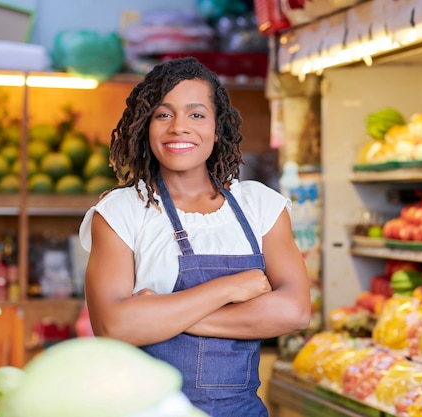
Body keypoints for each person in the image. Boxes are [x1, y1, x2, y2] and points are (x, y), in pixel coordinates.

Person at [79, 57, 312, 416]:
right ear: (146, 126)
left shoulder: (261, 206)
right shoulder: (120, 212)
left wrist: (160, 315)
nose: (179, 128)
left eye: (197, 115)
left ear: (217, 128)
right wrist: (229, 290)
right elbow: (115, 326)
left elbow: (294, 312)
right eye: (163, 114)